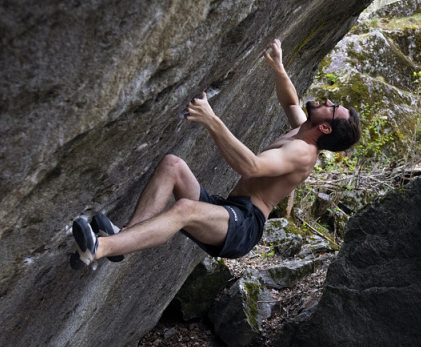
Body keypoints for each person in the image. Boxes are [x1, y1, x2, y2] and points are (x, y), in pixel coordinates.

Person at [71, 38, 360, 266]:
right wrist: (280, 69)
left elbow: (252, 167)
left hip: (243, 227)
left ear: (325, 128)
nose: (328, 100)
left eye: (333, 108)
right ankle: (124, 240)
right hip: (230, 210)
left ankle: (99, 248)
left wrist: (212, 120)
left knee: (185, 210)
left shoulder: (302, 152)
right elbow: (291, 104)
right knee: (172, 165)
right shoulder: (304, 129)